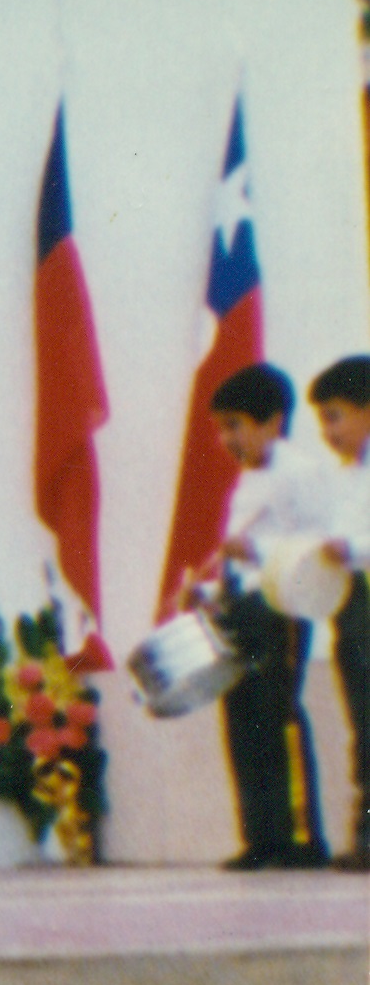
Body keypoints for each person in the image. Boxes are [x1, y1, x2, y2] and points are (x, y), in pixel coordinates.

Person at [176, 363, 336, 870]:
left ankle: (301, 838)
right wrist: (205, 590)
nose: (227, 439)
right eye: (222, 428)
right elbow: (234, 560)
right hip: (245, 606)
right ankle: (261, 837)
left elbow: (314, 546)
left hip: (284, 605)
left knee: (278, 713)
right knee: (242, 718)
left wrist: (256, 547)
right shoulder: (248, 479)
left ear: (272, 422)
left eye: (235, 425)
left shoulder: (301, 473)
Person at [305, 356, 370, 870]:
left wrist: (349, 548)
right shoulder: (346, 478)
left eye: (335, 416)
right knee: (365, 725)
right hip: (355, 610)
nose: (327, 431)